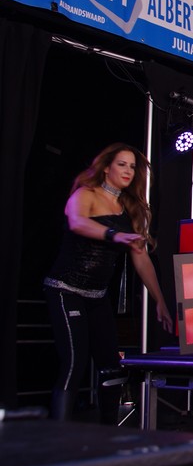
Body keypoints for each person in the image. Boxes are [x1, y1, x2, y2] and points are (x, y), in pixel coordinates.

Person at [43, 143, 173, 424]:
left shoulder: (131, 208)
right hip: (65, 290)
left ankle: (109, 432)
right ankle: (56, 435)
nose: (128, 171)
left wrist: (160, 300)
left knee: (111, 366)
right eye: (122, 164)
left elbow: (141, 259)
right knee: (74, 362)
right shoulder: (85, 194)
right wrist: (114, 235)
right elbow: (77, 222)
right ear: (106, 168)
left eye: (132, 166)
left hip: (97, 296)